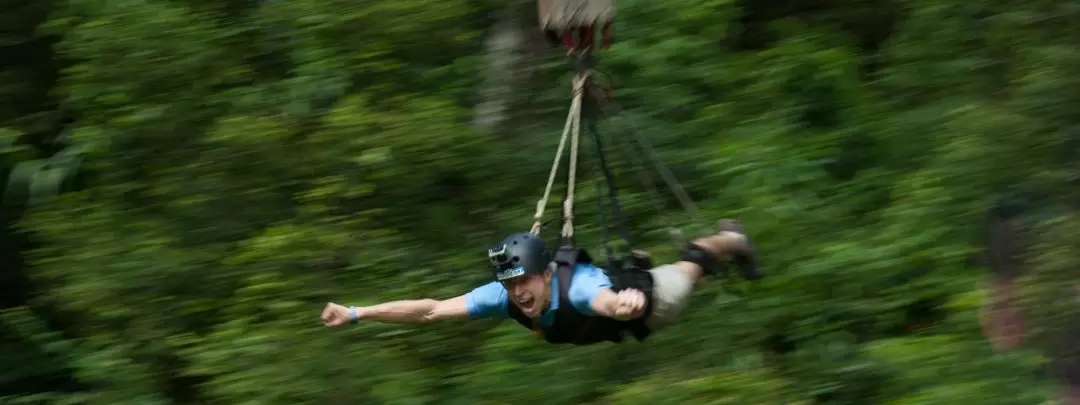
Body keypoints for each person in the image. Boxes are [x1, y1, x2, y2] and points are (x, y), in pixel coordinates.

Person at [321, 219, 761, 345]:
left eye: (524, 281)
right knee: (687, 270)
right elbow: (431, 310)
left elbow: (603, 302)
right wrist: (358, 313)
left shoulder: (581, 286)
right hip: (618, 313)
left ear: (546, 273)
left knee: (690, 267)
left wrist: (622, 304)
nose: (517, 293)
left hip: (653, 302)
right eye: (509, 284)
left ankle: (732, 237)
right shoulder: (504, 296)